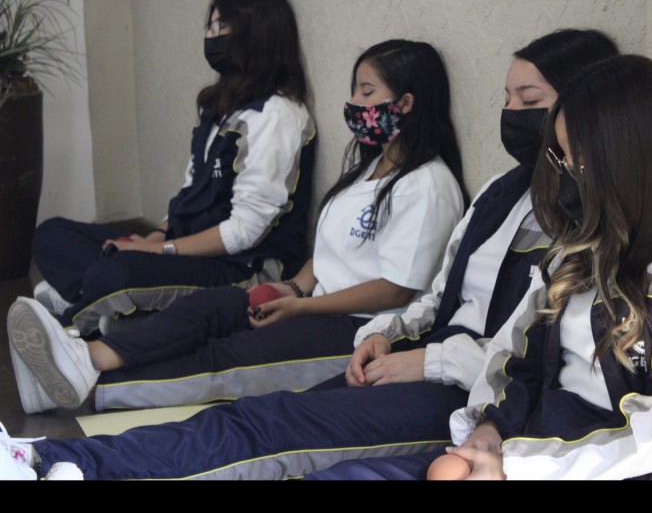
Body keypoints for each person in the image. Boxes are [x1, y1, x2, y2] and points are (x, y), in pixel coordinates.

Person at [2, 29, 620, 480]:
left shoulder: (584, 221)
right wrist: (383, 335)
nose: (511, 115)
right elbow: (438, 296)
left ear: (583, 110)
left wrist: (423, 357)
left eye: (530, 102)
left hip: (468, 397)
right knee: (259, 410)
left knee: (268, 426)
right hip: (412, 354)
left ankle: (67, 459)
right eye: (506, 99)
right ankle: (57, 441)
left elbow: (527, 353)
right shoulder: (502, 192)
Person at [312, 55, 652, 481]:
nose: (566, 173)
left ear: (628, 157)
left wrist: (513, 466)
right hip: (538, 445)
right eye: (563, 157)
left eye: (578, 159)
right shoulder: (581, 247)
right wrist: (489, 430)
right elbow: (516, 355)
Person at [8, 39, 468, 414]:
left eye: (367, 92)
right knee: (210, 309)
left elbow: (394, 289)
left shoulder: (429, 185)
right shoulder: (367, 170)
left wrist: (305, 308)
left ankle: (89, 388)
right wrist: (293, 288)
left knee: (225, 358)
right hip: (313, 303)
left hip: (360, 329)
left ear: (406, 103)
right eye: (355, 91)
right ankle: (86, 358)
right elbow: (333, 252)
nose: (353, 103)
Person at [30, 0, 316, 336]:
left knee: (117, 271)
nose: (210, 36)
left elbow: (245, 231)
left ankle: (78, 318)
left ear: (257, 35)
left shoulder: (276, 115)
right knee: (52, 235)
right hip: (185, 246)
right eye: (209, 26)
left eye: (221, 27)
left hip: (241, 266)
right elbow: (190, 190)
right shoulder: (218, 107)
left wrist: (159, 252)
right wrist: (154, 237)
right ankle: (104, 304)